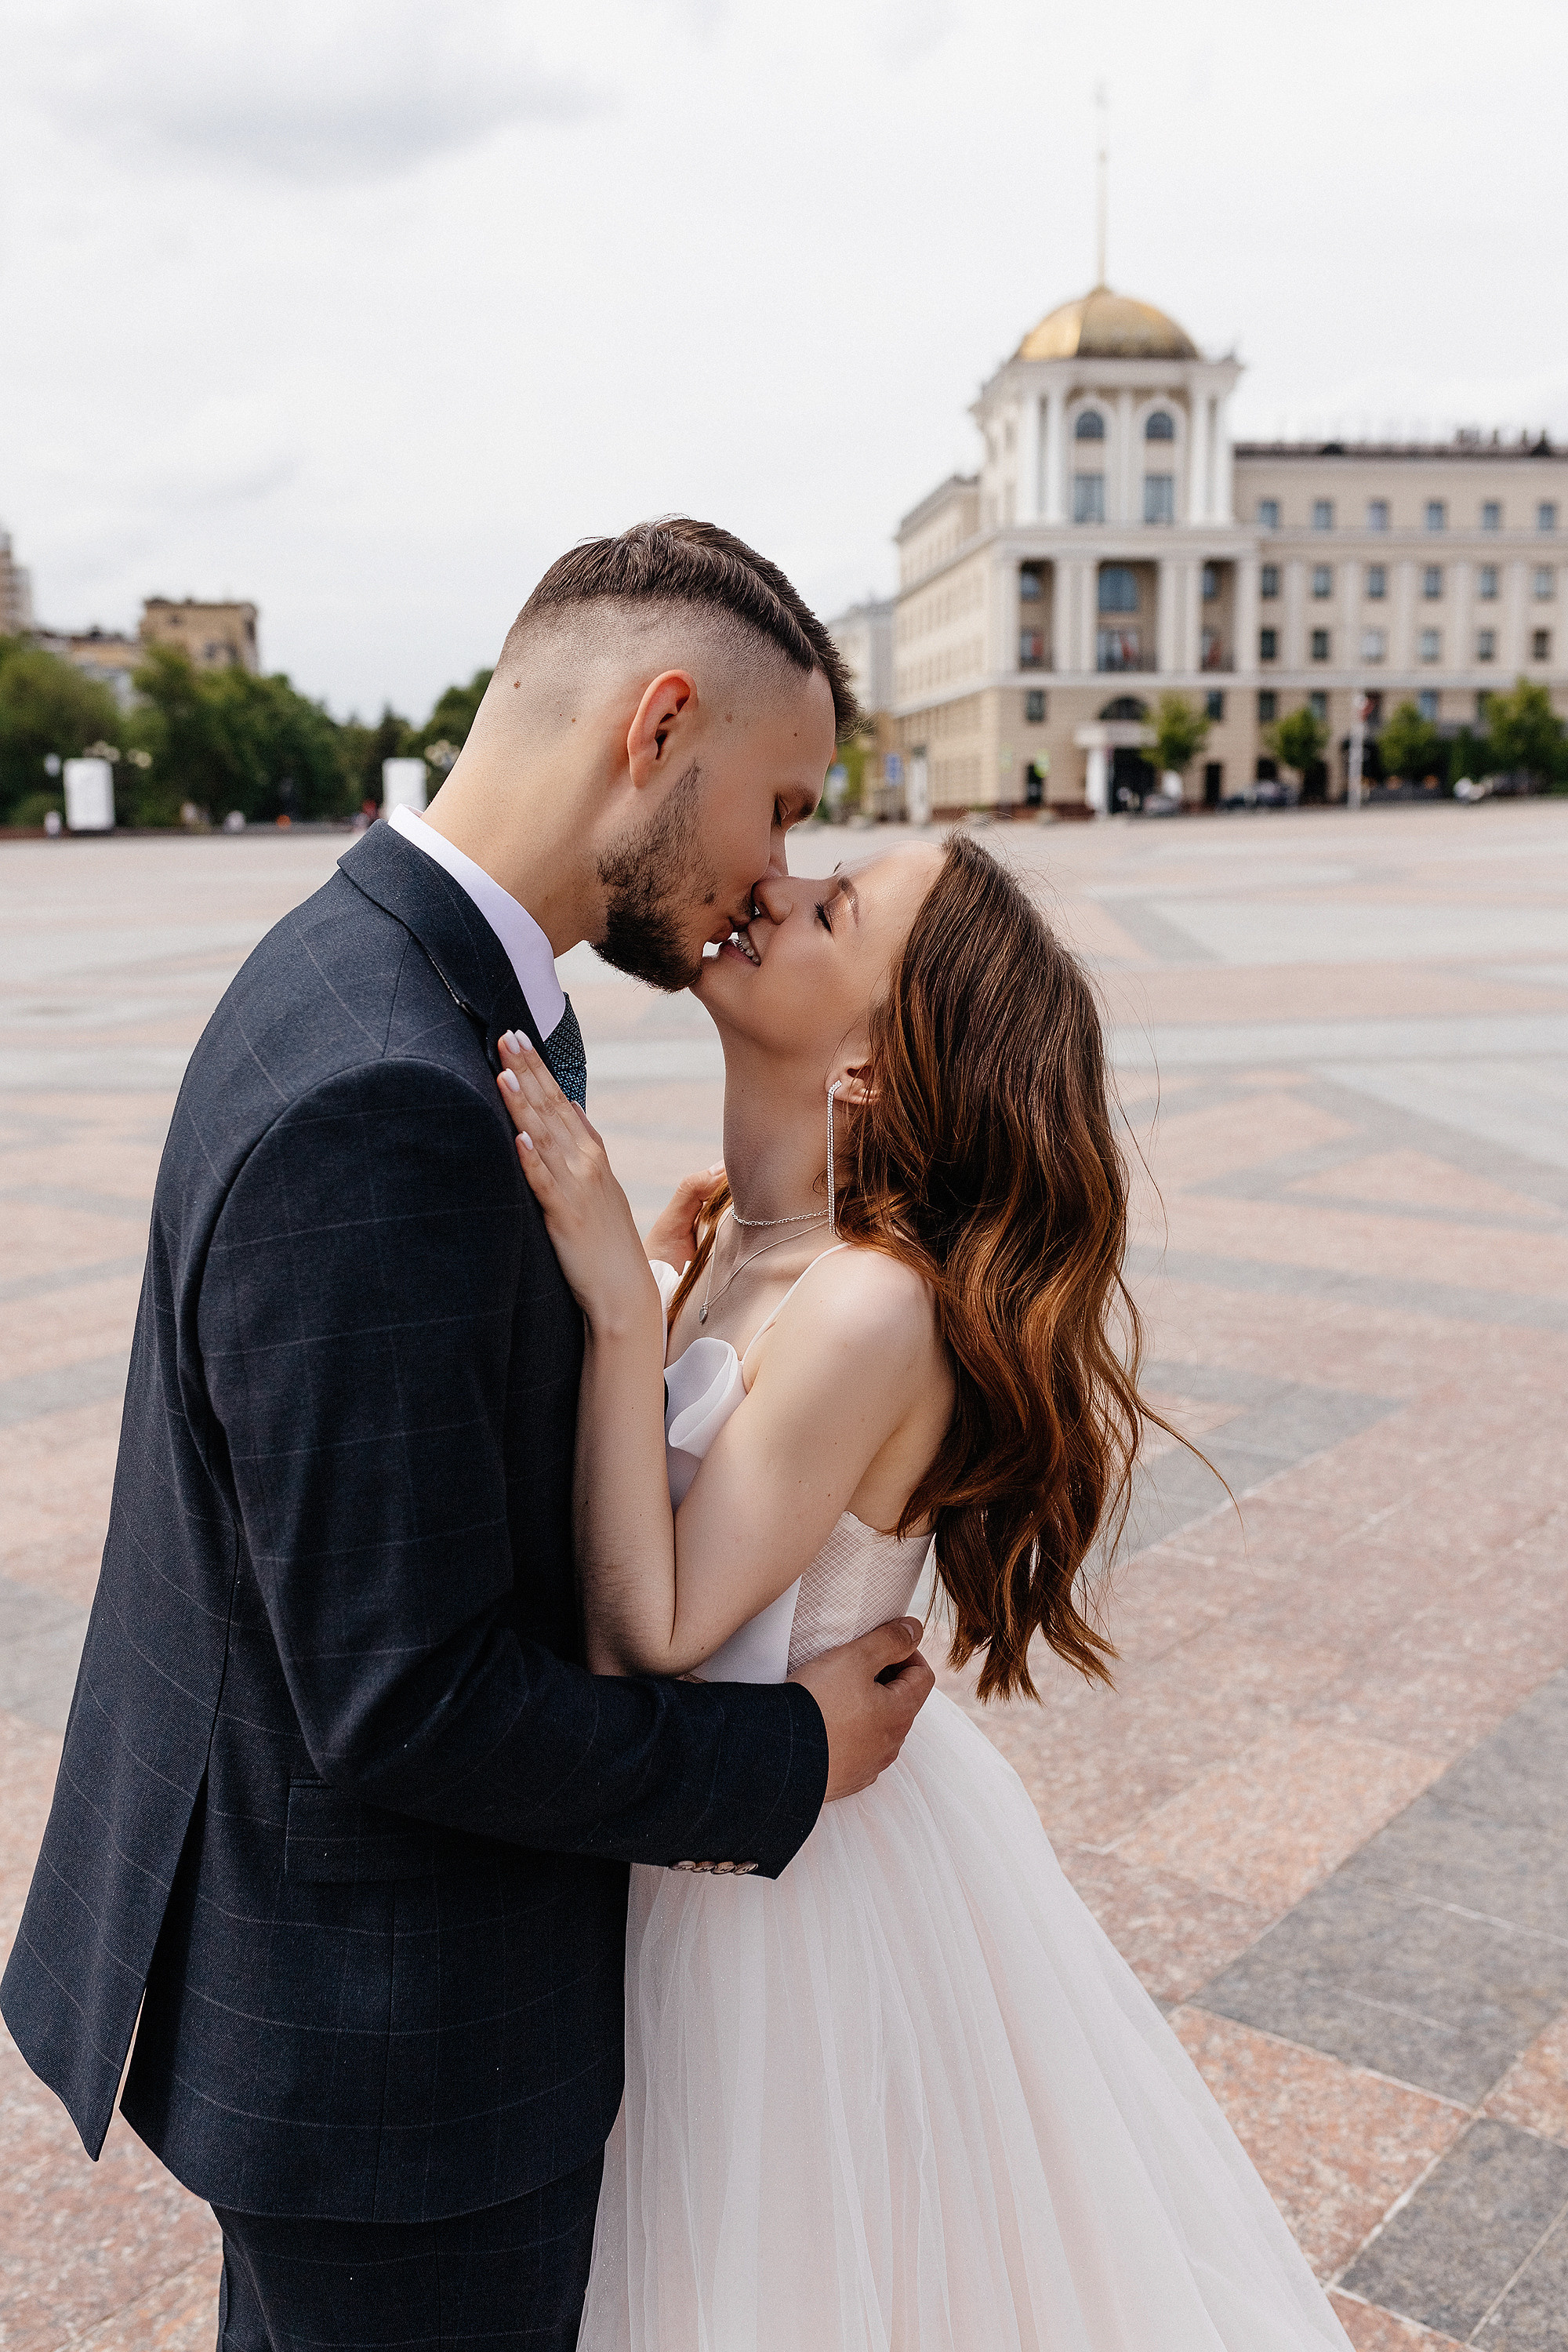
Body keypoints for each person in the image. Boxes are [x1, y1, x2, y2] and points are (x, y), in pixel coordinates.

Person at [0, 521, 934, 2352]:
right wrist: (783, 1760)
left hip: (342, 2017)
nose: (772, 870)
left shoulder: (391, 974)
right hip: (399, 2061)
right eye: (777, 803)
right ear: (657, 727)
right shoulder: (388, 1079)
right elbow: (403, 1696)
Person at [489, 832, 1355, 2349]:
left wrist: (621, 1313)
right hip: (687, 1839)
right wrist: (657, 1281)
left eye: (831, 911)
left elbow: (653, 1631)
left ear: (872, 1070)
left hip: (776, 1910)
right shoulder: (741, 1243)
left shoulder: (871, 1304)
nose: (771, 886)